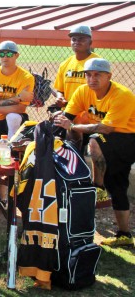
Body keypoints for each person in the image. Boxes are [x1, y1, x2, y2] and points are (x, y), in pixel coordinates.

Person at [53, 58, 135, 247]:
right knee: (117, 185)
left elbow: (105, 128)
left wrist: (73, 125)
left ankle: (98, 187)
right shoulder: (83, 91)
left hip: (128, 138)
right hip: (108, 140)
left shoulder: (122, 95)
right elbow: (68, 116)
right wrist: (57, 120)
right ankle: (125, 235)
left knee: (94, 140)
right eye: (88, 75)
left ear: (109, 76)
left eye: (98, 74)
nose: (92, 79)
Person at [52, 25, 101, 110]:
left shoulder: (98, 63)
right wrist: (59, 97)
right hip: (68, 112)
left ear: (90, 43)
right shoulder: (65, 64)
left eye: (81, 39)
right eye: (73, 39)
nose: (77, 42)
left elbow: (103, 91)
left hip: (90, 113)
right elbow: (60, 90)